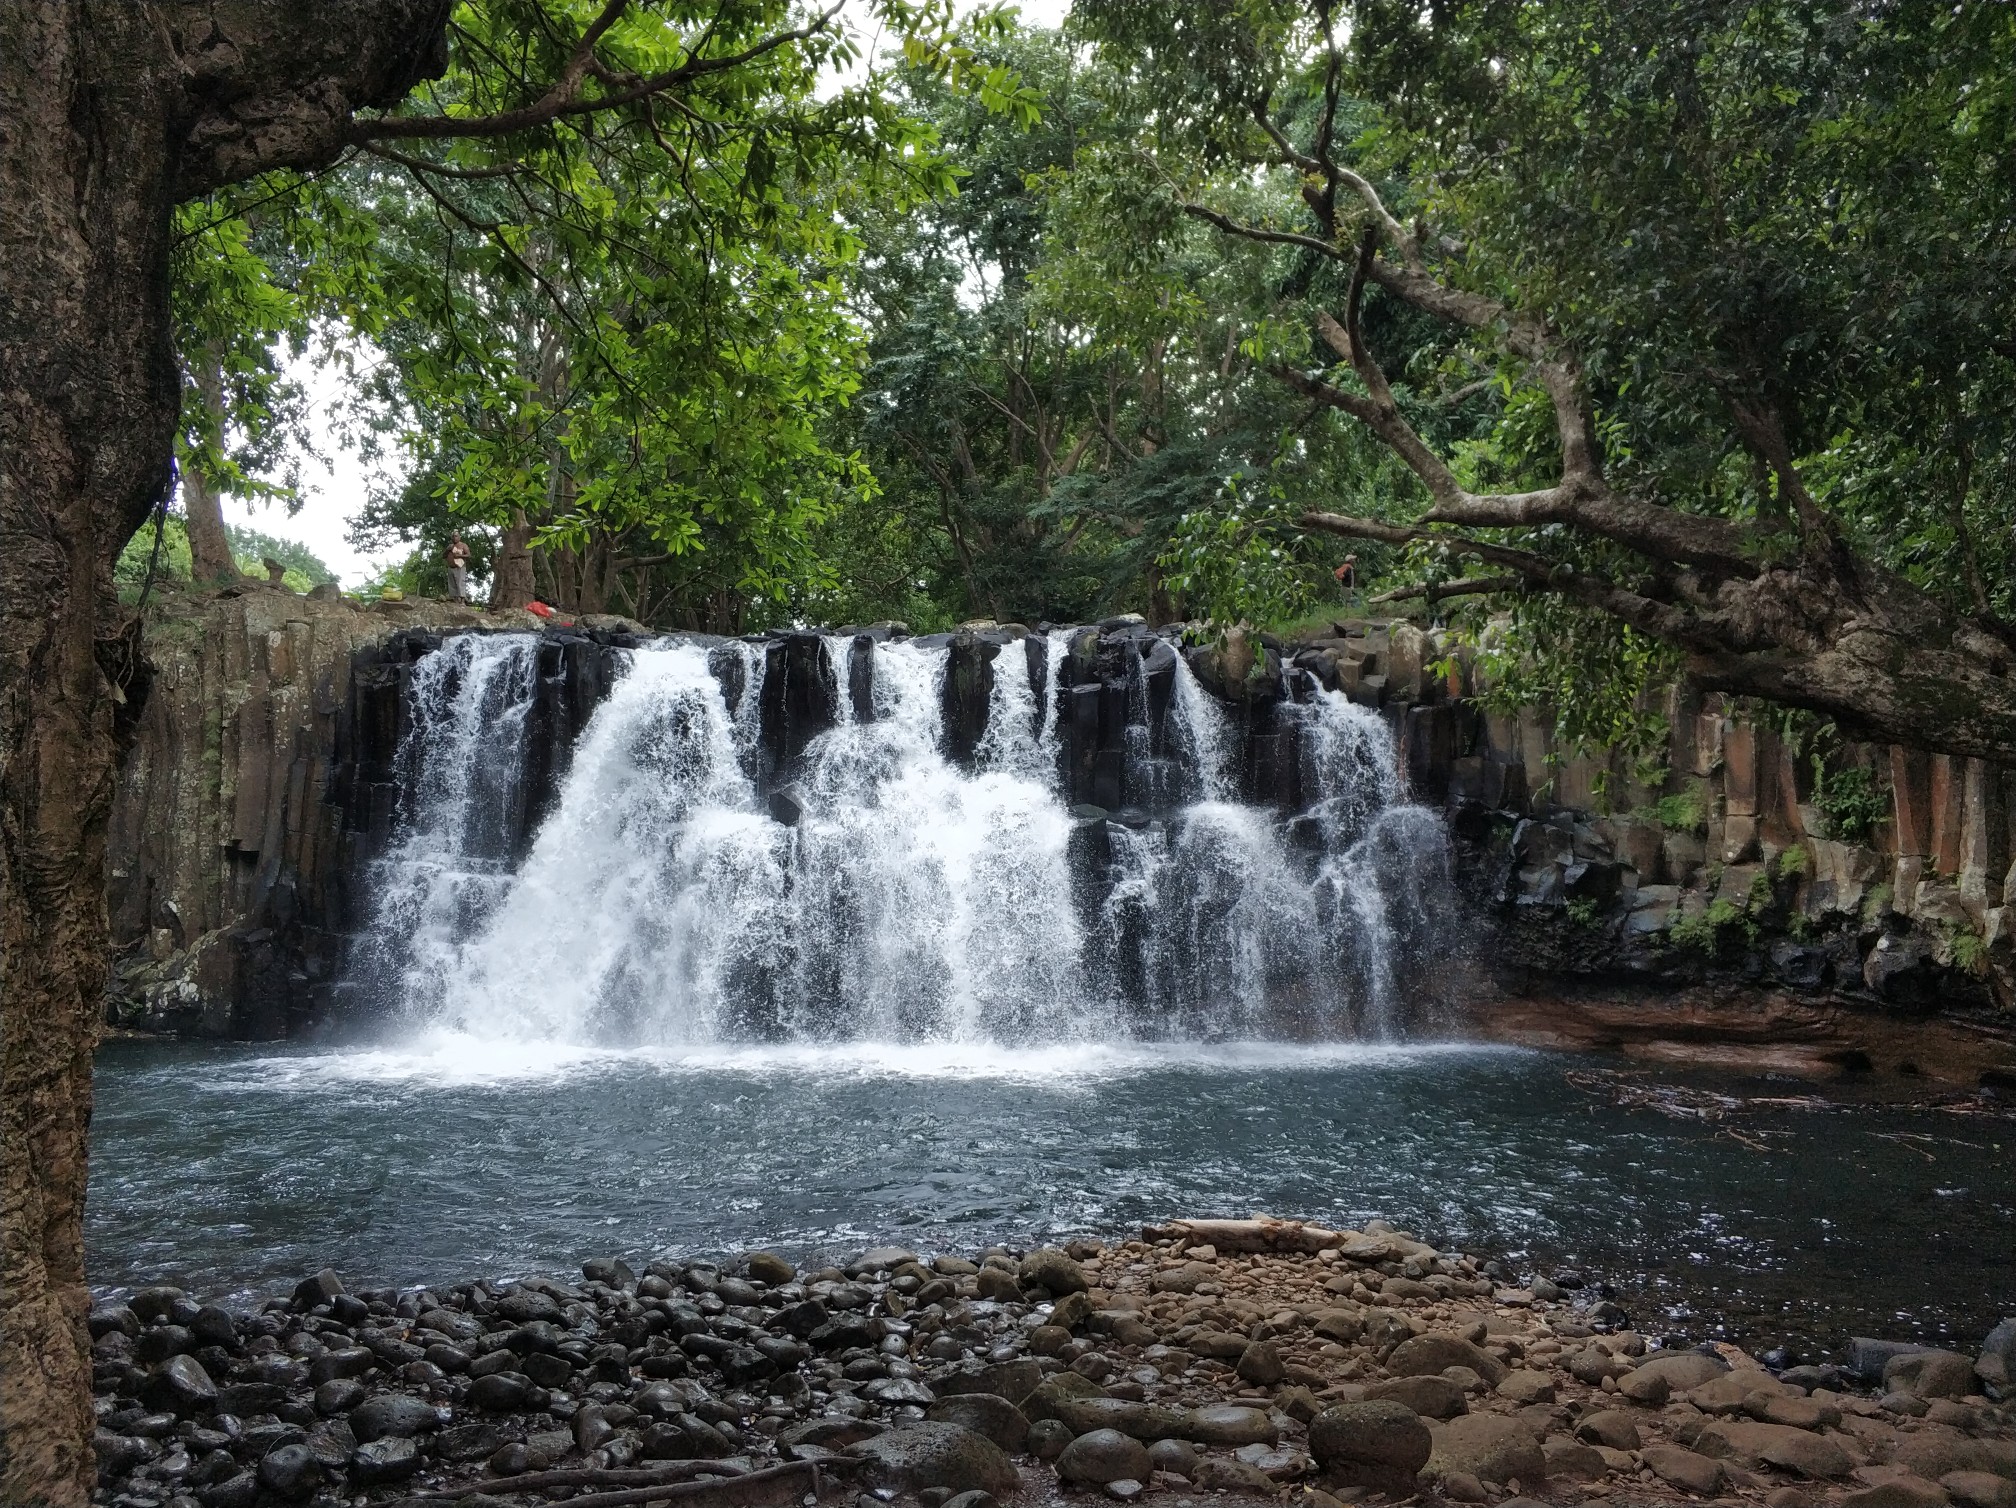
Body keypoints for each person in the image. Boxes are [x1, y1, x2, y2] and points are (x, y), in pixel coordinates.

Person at [445, 533, 471, 604]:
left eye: (456, 536)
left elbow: (468, 555)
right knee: (452, 584)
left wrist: (459, 555)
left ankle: (462, 599)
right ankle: (454, 599)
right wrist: (447, 550)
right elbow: (444, 556)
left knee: (460, 583)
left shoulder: (463, 545)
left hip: (460, 567)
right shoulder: (450, 546)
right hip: (451, 567)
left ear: (459, 537)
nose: (454, 538)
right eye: (453, 536)